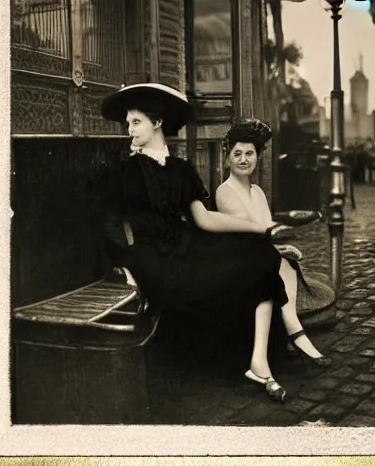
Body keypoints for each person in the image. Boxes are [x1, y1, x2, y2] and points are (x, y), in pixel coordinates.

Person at [96, 83, 297, 403]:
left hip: (186, 245)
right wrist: (125, 262)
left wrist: (260, 229)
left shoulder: (181, 170)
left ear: (157, 123)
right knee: (237, 269)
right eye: (128, 123)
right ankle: (247, 360)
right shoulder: (123, 172)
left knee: (260, 255)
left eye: (135, 122)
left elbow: (203, 219)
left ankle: (259, 362)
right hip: (150, 257)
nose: (129, 129)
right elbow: (107, 223)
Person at [215, 118, 332, 368]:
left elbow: (268, 229)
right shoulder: (225, 191)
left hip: (259, 253)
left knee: (285, 261)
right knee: (280, 263)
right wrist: (278, 246)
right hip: (237, 258)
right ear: (227, 158)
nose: (244, 159)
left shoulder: (256, 191)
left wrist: (281, 247)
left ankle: (293, 332)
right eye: (237, 154)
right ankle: (295, 332)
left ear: (257, 158)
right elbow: (247, 233)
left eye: (250, 153)